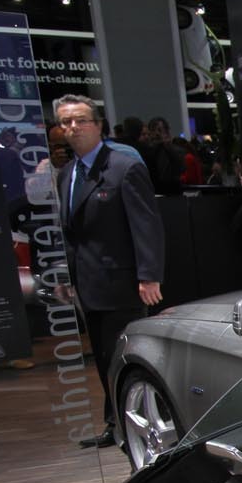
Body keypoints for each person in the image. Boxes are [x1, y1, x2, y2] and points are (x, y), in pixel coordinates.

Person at [54, 94, 164, 448]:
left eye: (81, 120)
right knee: (103, 358)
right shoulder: (67, 174)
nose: (73, 127)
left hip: (122, 282)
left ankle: (138, 423)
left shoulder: (124, 168)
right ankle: (116, 422)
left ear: (98, 125)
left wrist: (149, 275)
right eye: (66, 122)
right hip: (87, 285)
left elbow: (146, 225)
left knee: (125, 356)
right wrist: (66, 276)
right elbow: (71, 234)